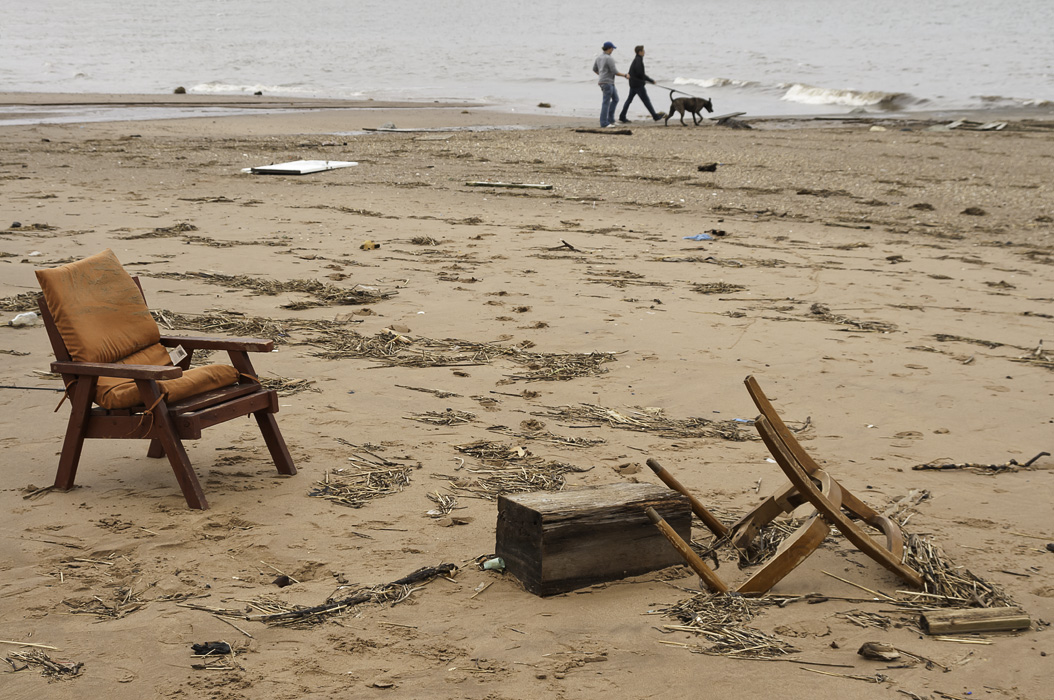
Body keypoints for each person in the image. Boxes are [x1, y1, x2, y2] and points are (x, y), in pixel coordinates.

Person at [618, 45, 665, 123]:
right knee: (646, 101)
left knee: (629, 100)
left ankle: (622, 116)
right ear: (640, 52)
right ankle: (655, 116)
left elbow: (637, 73)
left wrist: (645, 80)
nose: (644, 52)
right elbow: (640, 73)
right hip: (637, 85)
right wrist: (650, 80)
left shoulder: (636, 59)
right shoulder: (638, 60)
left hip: (633, 84)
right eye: (643, 51)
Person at [592, 41, 628, 128]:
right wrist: (625, 75)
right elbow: (614, 71)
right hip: (607, 83)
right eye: (612, 48)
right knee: (606, 102)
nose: (613, 50)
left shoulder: (599, 57)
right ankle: (604, 122)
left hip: (604, 82)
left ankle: (611, 120)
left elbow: (594, 69)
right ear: (609, 48)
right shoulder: (609, 58)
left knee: (616, 99)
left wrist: (601, 75)